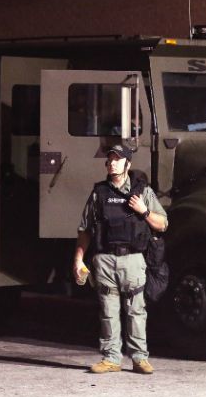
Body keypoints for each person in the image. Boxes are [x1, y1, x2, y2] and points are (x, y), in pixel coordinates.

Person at [72, 144, 168, 374]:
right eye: (110, 159)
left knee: (136, 310)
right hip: (105, 260)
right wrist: (78, 260)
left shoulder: (142, 191)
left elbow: (163, 224)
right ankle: (111, 358)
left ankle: (139, 358)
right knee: (108, 311)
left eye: (117, 159)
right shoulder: (99, 193)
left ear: (128, 163)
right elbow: (85, 229)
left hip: (133, 259)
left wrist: (143, 211)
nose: (112, 163)